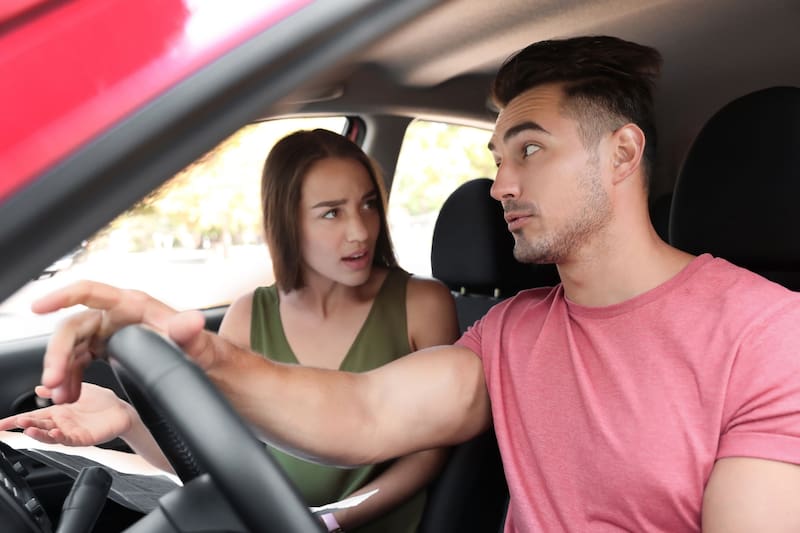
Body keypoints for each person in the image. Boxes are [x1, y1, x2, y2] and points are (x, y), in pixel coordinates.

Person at [3, 35, 800, 532]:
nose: (499, 186)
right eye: (496, 159)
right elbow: (364, 410)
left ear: (623, 154)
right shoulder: (513, 332)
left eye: (528, 150)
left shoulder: (768, 334)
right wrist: (197, 351)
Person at [3, 129, 458, 533]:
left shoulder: (422, 303)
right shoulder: (248, 314)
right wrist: (128, 420)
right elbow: (213, 456)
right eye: (331, 213)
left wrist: (334, 518)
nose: (360, 230)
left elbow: (430, 452)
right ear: (288, 221)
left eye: (368, 205)